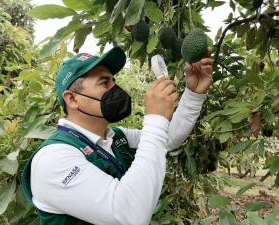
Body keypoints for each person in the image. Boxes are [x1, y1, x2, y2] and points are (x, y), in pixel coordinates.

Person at [22, 46, 213, 225]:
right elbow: (130, 214)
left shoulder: (118, 138)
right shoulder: (52, 159)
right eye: (104, 82)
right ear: (72, 99)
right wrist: (154, 118)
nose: (115, 89)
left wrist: (194, 93)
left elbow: (167, 138)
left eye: (114, 81)